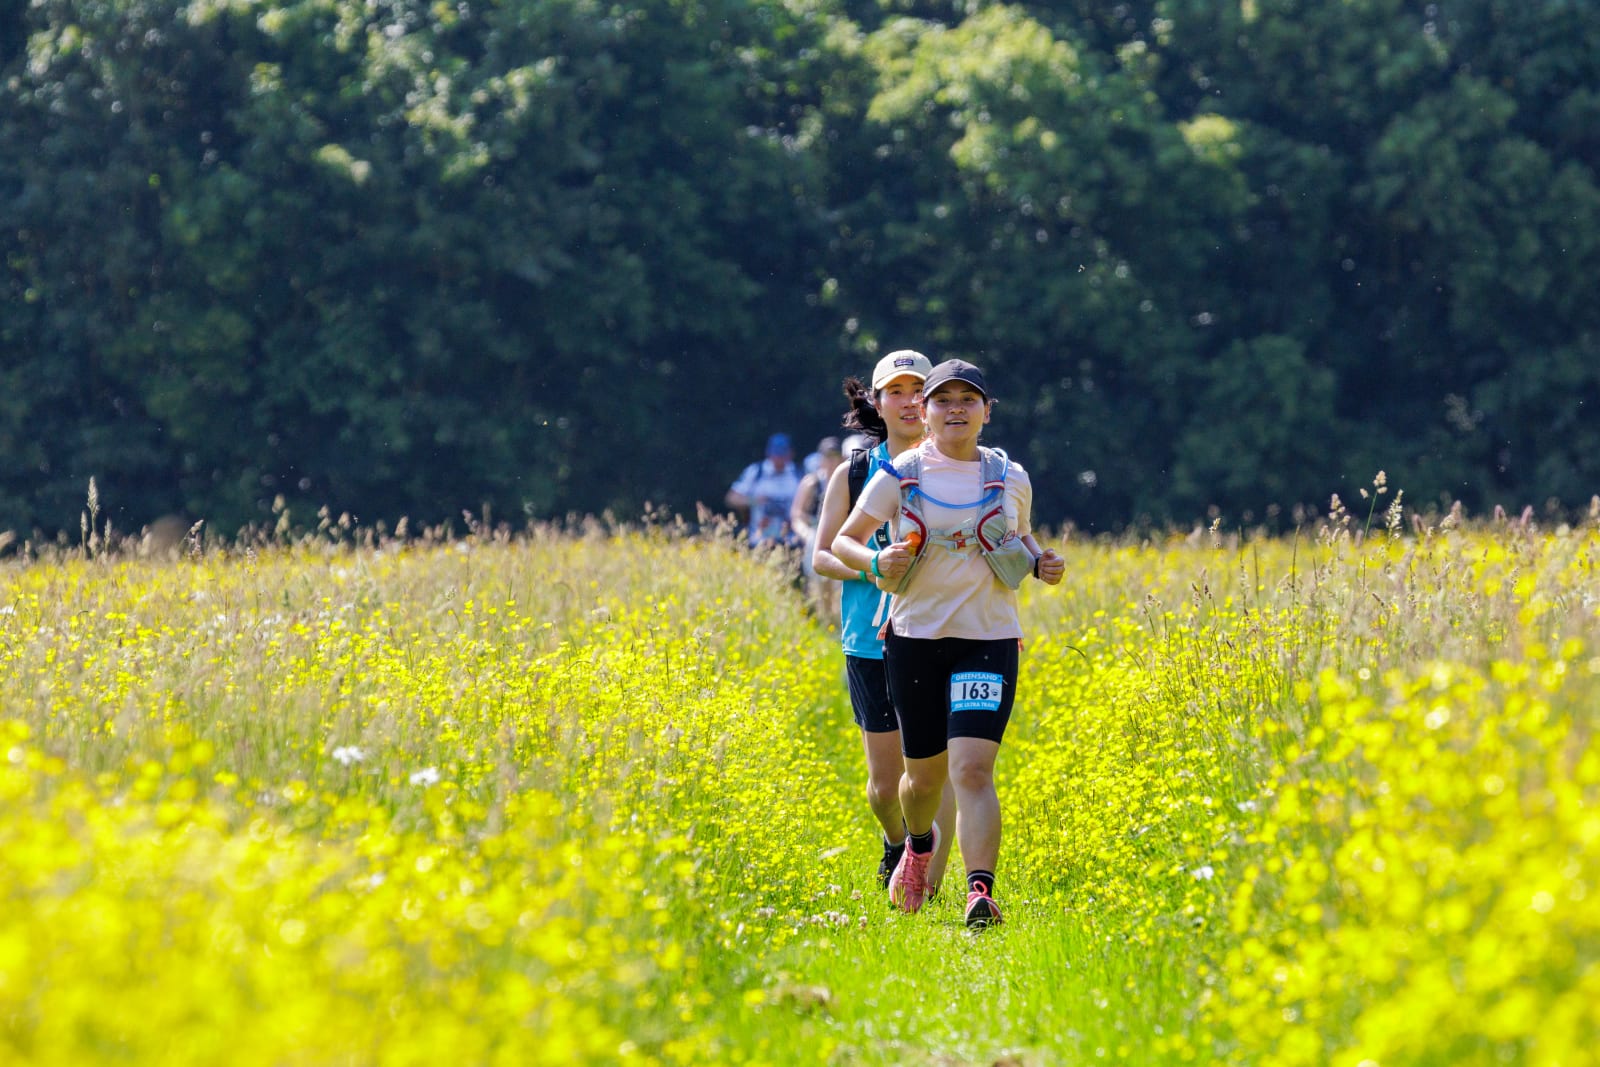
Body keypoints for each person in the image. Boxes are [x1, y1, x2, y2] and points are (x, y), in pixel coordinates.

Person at [832, 358, 1065, 927]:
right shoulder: (901, 473)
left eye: (968, 400)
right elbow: (844, 542)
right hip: (914, 639)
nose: (955, 409)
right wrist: (876, 559)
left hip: (988, 638)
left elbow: (1022, 537)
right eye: (943, 401)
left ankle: (978, 893)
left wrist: (1043, 563)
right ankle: (918, 844)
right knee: (923, 781)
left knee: (973, 771)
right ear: (927, 415)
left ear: (987, 412)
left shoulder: (1011, 476)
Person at [811, 350, 957, 893]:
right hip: (868, 641)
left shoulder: (955, 466)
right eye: (895, 390)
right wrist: (874, 566)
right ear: (876, 402)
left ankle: (929, 888)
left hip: (936, 634)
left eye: (919, 388)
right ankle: (899, 844)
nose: (909, 400)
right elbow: (822, 555)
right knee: (882, 785)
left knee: (933, 769)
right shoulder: (855, 471)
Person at [790, 436, 845, 619]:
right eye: (827, 456)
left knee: (838, 580)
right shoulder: (812, 483)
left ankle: (836, 620)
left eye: (835, 456)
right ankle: (824, 619)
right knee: (818, 580)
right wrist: (806, 534)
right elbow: (797, 514)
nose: (831, 461)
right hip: (814, 533)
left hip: (839, 534)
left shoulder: (846, 481)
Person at [726, 433, 802, 548]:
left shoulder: (798, 474)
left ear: (790, 454)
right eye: (776, 454)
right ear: (769, 453)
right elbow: (731, 498)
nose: (778, 459)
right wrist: (754, 501)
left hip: (791, 542)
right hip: (759, 541)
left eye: (782, 454)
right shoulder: (756, 472)